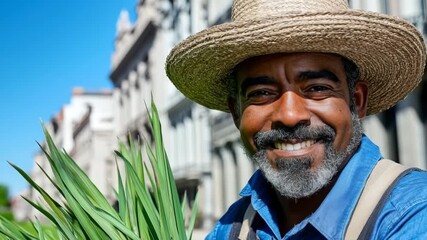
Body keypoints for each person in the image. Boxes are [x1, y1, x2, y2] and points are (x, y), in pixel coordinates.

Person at [166, 0, 427, 239]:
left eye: (316, 88)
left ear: (356, 101)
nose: (290, 116)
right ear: (236, 113)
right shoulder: (231, 227)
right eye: (262, 93)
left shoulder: (412, 213)